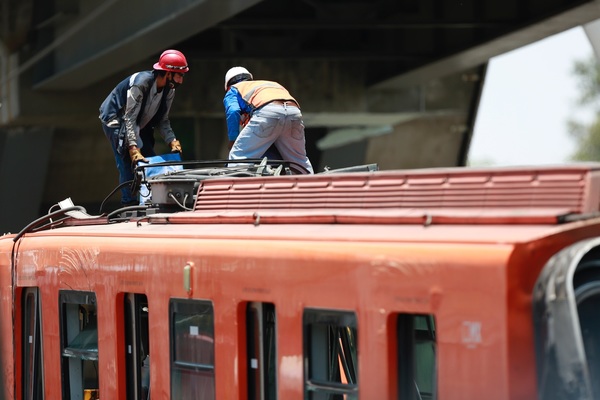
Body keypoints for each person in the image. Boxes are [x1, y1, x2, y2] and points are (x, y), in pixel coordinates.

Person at [99, 49, 188, 205]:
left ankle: (151, 201)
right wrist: (133, 148)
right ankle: (129, 205)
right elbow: (129, 117)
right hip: (116, 120)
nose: (181, 80)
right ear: (168, 73)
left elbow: (163, 120)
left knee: (149, 160)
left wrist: (171, 140)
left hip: (139, 122)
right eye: (179, 75)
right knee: (128, 160)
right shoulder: (141, 83)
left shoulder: (169, 90)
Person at [223, 66, 314, 174]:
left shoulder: (234, 89)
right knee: (299, 161)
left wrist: (233, 139)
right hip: (294, 112)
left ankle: (235, 189)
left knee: (239, 157)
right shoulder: (266, 85)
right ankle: (314, 187)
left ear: (228, 86)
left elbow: (233, 111)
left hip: (267, 112)